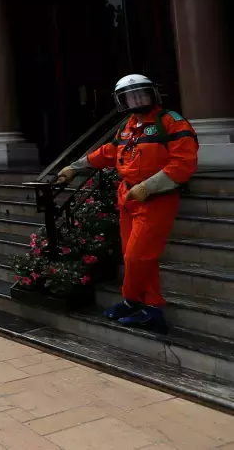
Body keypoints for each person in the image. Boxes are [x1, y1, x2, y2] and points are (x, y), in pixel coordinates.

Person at [57, 74, 198, 333]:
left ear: (153, 94)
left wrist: (149, 186)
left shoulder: (171, 122)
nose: (137, 100)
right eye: (131, 96)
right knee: (140, 257)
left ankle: (131, 300)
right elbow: (108, 153)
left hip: (157, 199)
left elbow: (183, 163)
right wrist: (74, 167)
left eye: (141, 94)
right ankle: (150, 308)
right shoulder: (128, 127)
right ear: (123, 101)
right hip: (128, 198)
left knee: (136, 256)